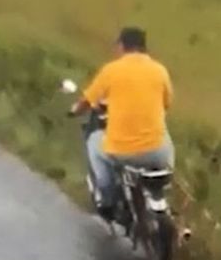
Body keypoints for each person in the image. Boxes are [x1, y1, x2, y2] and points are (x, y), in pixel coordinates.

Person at [69, 27, 174, 220]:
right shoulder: (160, 71)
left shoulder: (111, 70)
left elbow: (87, 100)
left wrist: (75, 109)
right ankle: (161, 189)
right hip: (159, 152)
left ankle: (107, 200)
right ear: (144, 47)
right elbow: (167, 103)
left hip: (124, 153)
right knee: (164, 133)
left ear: (122, 46)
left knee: (94, 143)